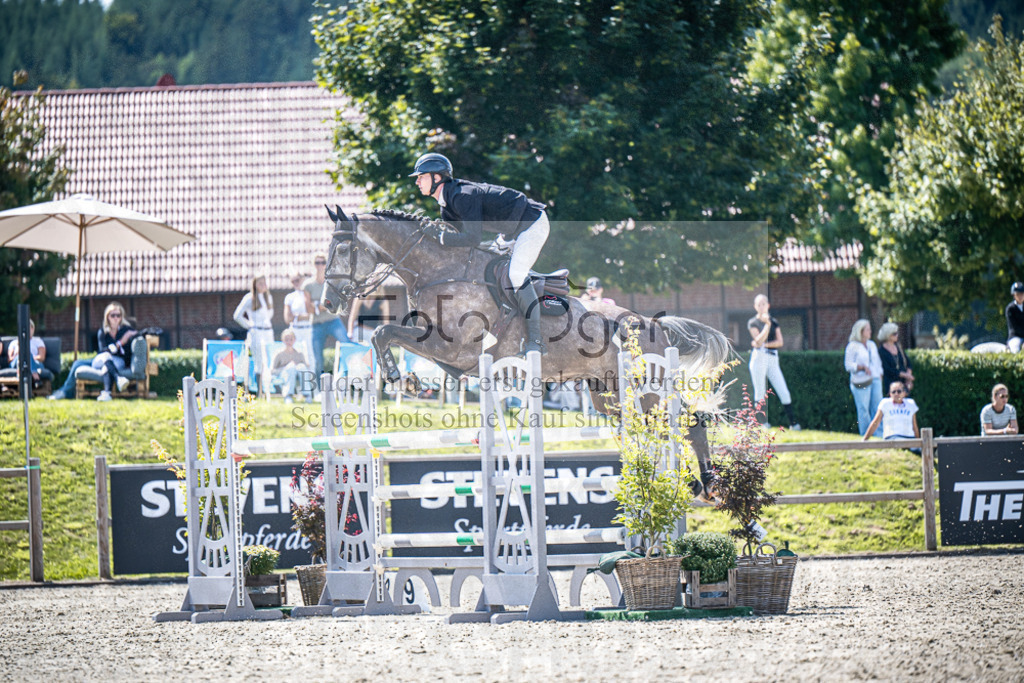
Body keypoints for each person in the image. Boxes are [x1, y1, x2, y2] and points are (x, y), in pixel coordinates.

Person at [410, 152, 549, 354]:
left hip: (532, 224)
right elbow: (457, 245)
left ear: (437, 178)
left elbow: (472, 238)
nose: (417, 182)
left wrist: (440, 236)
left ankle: (536, 341)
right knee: (483, 267)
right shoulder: (447, 206)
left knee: (516, 274)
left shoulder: (462, 196)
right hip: (508, 233)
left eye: (421, 176)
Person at [51, 302, 136, 401]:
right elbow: (103, 350)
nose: (116, 318)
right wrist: (120, 343)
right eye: (113, 315)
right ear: (107, 317)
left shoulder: (126, 330)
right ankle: (64, 391)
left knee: (106, 366)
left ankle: (106, 394)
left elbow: (138, 335)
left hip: (117, 361)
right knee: (79, 363)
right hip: (101, 359)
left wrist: (133, 334)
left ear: (121, 317)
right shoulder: (103, 332)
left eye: (118, 315)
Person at [747, 295, 800, 430]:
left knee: (783, 390)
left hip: (772, 358)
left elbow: (779, 342)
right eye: (758, 304)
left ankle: (793, 424)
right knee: (760, 391)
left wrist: (764, 343)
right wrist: (767, 325)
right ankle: (762, 423)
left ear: (768, 305)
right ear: (755, 307)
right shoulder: (753, 322)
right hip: (759, 358)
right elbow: (758, 340)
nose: (761, 306)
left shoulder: (774, 321)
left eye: (763, 304)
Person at [303, 252, 350, 377]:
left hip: (333, 321)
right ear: (314, 265)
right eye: (317, 262)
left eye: (323, 262)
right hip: (316, 325)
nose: (320, 265)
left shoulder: (332, 282)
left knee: (346, 345)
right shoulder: (308, 285)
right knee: (318, 359)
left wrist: (317, 305)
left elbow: (334, 303)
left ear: (326, 264)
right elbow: (308, 310)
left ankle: (343, 377)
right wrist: (324, 304)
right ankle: (319, 391)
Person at [233, 274, 274, 387]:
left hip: (268, 332)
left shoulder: (268, 297)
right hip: (256, 332)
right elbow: (237, 315)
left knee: (269, 360)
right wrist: (249, 325)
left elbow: (269, 315)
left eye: (264, 283)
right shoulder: (249, 298)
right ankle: (259, 390)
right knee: (259, 361)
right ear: (255, 285)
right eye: (260, 283)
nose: (263, 285)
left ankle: (269, 388)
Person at [845, 319, 883, 437]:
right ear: (860, 331)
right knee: (863, 409)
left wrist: (880, 374)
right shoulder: (852, 346)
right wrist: (861, 367)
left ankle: (879, 434)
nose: (870, 331)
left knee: (878, 408)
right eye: (867, 329)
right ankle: (866, 435)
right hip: (861, 381)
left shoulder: (871, 344)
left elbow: (877, 362)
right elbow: (848, 365)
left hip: (875, 379)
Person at [863, 381, 920, 446]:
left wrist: (918, 443)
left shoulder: (911, 403)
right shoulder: (885, 403)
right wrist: (865, 439)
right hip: (892, 437)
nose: (896, 394)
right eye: (893, 392)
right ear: (890, 394)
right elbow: (875, 422)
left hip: (910, 437)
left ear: (904, 393)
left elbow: (914, 425)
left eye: (899, 391)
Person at [283, 269, 314, 370]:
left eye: (297, 280)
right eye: (293, 281)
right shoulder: (290, 297)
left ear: (303, 279)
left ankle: (312, 385)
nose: (296, 283)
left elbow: (314, 313)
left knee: (311, 357)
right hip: (295, 331)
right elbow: (287, 318)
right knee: (295, 358)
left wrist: (297, 316)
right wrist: (302, 316)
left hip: (309, 329)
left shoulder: (310, 294)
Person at [271, 329, 312, 403]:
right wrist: (287, 367)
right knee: (291, 367)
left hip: (297, 374)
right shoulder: (279, 354)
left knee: (301, 367)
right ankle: (288, 395)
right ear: (283, 340)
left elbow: (306, 368)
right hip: (284, 374)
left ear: (294, 340)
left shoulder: (299, 353)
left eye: (291, 339)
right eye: (286, 339)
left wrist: (300, 366)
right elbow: (272, 370)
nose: (289, 342)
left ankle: (307, 395)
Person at [6, 319, 53, 384]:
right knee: (22, 356)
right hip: (17, 362)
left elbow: (41, 357)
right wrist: (17, 354)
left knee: (27, 354)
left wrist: (28, 358)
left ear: (32, 329)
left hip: (35, 363)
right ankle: (36, 377)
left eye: (28, 328)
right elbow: (9, 360)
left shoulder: (38, 341)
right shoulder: (14, 343)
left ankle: (22, 373)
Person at [877, 322, 914, 397]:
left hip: (904, 385)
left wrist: (908, 379)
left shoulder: (898, 347)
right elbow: (887, 369)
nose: (897, 335)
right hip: (891, 386)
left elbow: (908, 363)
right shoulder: (881, 351)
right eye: (894, 334)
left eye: (897, 333)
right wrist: (905, 375)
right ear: (888, 335)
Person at [1006, 282, 1024, 353]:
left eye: (1022, 294)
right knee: (1015, 348)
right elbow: (1014, 327)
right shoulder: (1010, 308)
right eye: (1018, 294)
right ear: (1014, 295)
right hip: (1015, 336)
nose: (1020, 297)